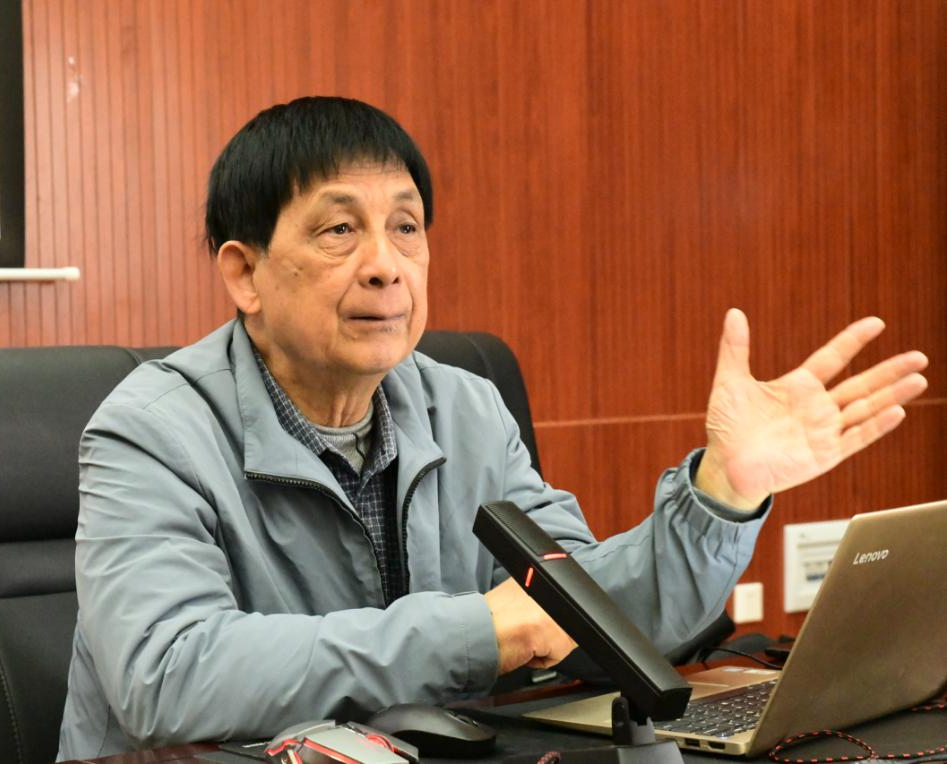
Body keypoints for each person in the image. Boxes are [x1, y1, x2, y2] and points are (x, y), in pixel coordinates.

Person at [56, 97, 928, 758]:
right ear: (244, 273)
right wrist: (483, 631)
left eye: (406, 227)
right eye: (338, 230)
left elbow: (588, 615)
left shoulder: (462, 404)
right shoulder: (150, 431)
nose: (385, 267)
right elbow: (165, 675)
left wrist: (721, 495)